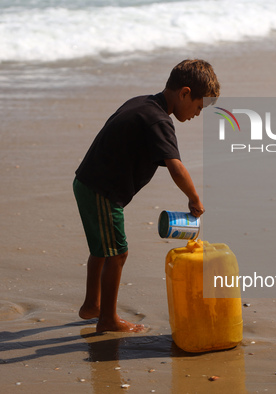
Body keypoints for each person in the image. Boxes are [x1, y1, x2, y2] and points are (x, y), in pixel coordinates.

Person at [73, 59, 219, 333]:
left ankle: (92, 305)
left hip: (87, 183)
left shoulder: (142, 103)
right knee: (118, 253)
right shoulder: (159, 121)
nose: (198, 114)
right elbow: (176, 167)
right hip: (102, 191)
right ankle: (107, 320)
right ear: (185, 93)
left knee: (103, 250)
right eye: (199, 107)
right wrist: (194, 199)